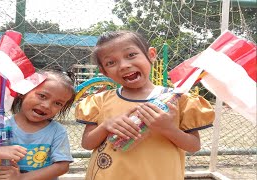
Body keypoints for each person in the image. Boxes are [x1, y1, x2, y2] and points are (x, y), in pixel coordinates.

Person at [75, 31, 215, 180]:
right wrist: (105, 126)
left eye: (131, 55)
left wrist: (168, 128)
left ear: (151, 55)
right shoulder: (99, 101)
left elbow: (193, 146)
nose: (124, 65)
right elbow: (87, 144)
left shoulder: (179, 100)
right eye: (111, 62)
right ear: (104, 72)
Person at [0, 69, 76, 180]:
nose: (46, 105)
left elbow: (62, 166)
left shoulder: (56, 131)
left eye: (58, 103)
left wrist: (21, 178)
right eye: (42, 96)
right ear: (24, 92)